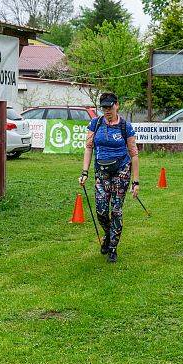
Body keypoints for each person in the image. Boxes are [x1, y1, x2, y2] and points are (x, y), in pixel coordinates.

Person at [79, 92, 140, 263]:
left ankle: (113, 247)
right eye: (104, 107)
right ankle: (108, 234)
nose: (107, 110)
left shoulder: (125, 127)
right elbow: (89, 148)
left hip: (122, 170)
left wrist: (135, 182)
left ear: (117, 105)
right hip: (102, 171)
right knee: (101, 211)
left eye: (109, 106)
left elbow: (134, 154)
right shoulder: (95, 124)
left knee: (116, 210)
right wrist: (84, 172)